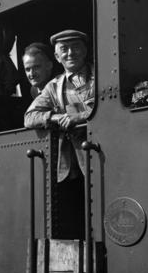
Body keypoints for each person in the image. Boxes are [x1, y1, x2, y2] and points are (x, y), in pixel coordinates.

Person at [24, 30, 95, 239]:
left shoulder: (100, 76)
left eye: (76, 47)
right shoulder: (54, 86)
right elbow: (29, 117)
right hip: (71, 166)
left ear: (85, 50)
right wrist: (56, 118)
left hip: (100, 159)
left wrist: (79, 117)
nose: (70, 53)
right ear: (57, 57)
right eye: (64, 49)